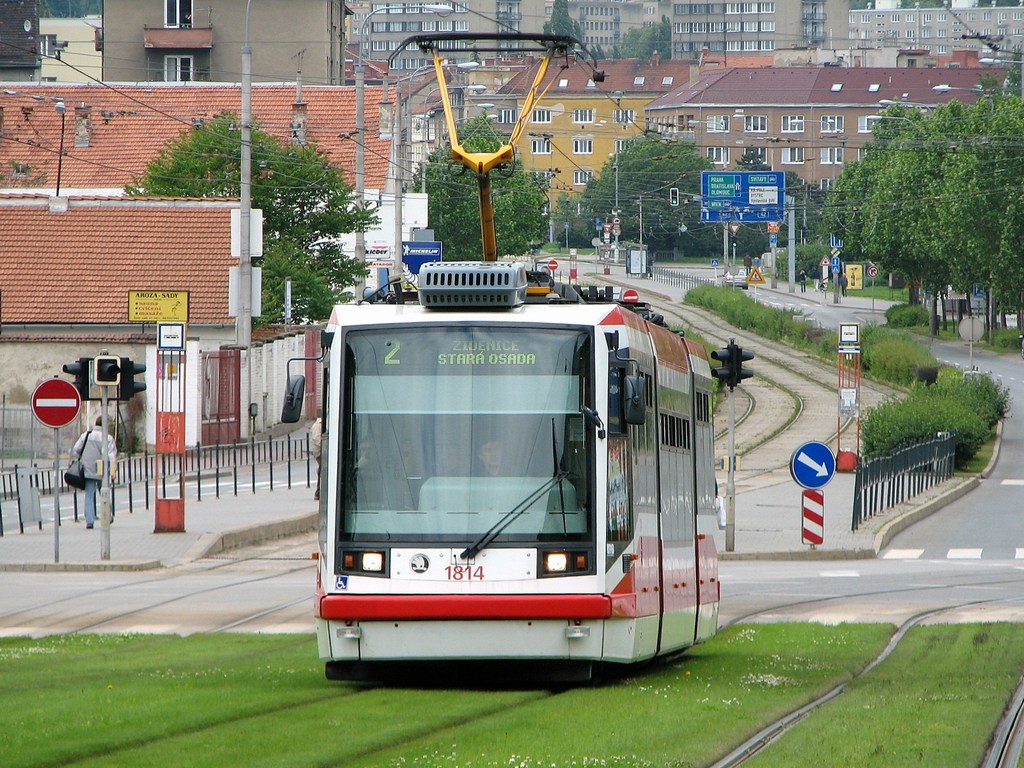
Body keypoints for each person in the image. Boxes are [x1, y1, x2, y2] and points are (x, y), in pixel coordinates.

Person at [71, 416, 117, 529]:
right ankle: (108, 516)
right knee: (105, 493)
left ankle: (90, 521)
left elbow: (76, 449)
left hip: (88, 470)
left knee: (89, 495)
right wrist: (113, 471)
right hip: (102, 470)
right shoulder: (108, 438)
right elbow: (111, 455)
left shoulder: (86, 435)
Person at [310, 415, 323, 500]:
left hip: (320, 451)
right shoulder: (318, 425)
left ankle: (319, 492)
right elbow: (316, 439)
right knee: (322, 470)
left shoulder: (320, 424)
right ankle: (318, 492)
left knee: (322, 470)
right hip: (319, 452)